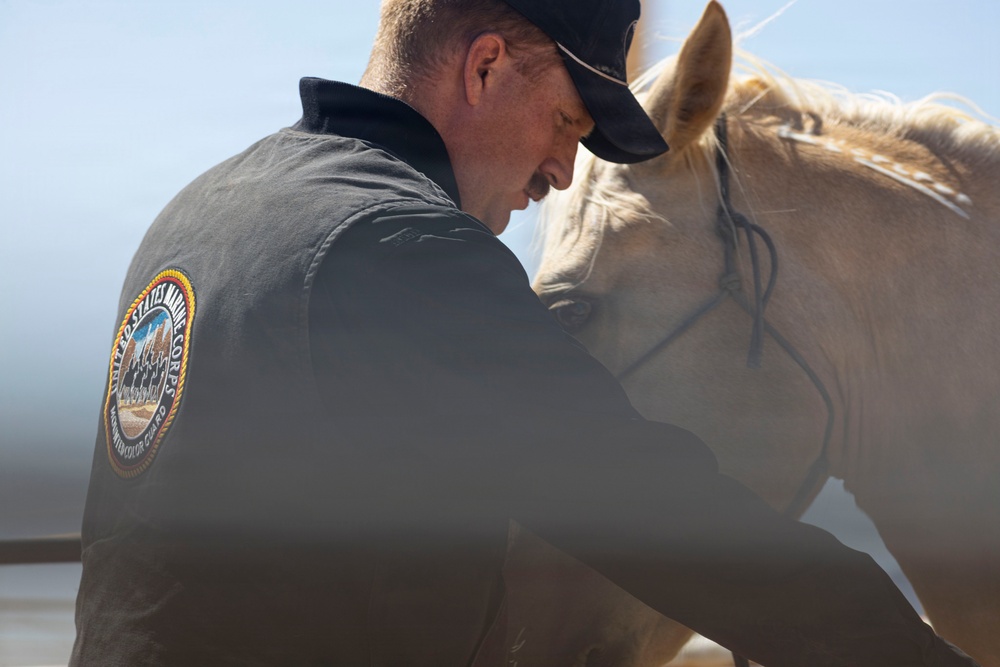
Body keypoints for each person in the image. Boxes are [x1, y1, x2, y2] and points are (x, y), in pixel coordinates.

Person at [71, 1, 979, 666]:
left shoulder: (193, 219)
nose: (561, 168)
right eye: (567, 121)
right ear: (486, 67)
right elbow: (654, 513)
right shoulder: (404, 249)